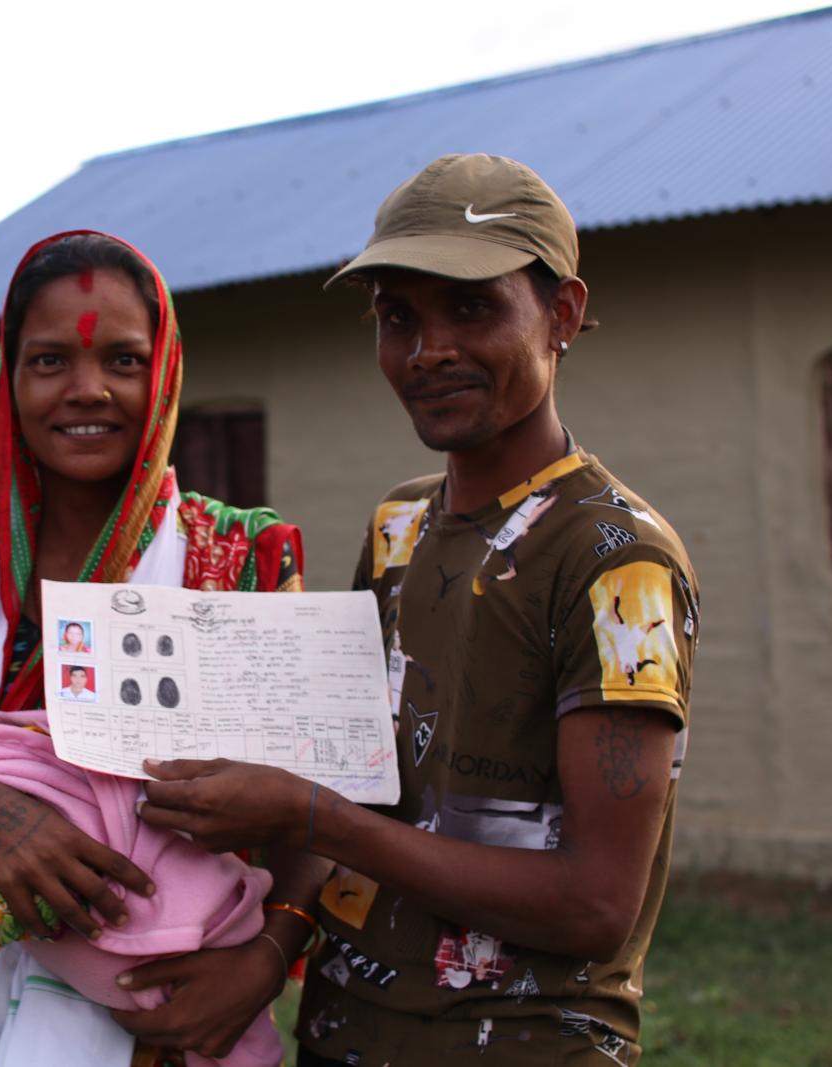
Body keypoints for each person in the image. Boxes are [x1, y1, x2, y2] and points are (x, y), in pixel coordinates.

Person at [136, 154, 699, 1065]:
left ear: (561, 314)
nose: (428, 349)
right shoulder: (399, 526)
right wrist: (272, 947)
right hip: (341, 1029)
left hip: (521, 1043)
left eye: (472, 307)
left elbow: (596, 904)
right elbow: (356, 782)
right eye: (398, 317)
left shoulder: (615, 560)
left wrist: (308, 814)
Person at [0, 230, 327, 1067]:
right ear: (10, 379)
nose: (87, 392)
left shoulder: (241, 562)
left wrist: (263, 964)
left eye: (123, 360)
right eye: (48, 363)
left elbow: (323, 807)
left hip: (168, 1024)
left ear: (166, 372)